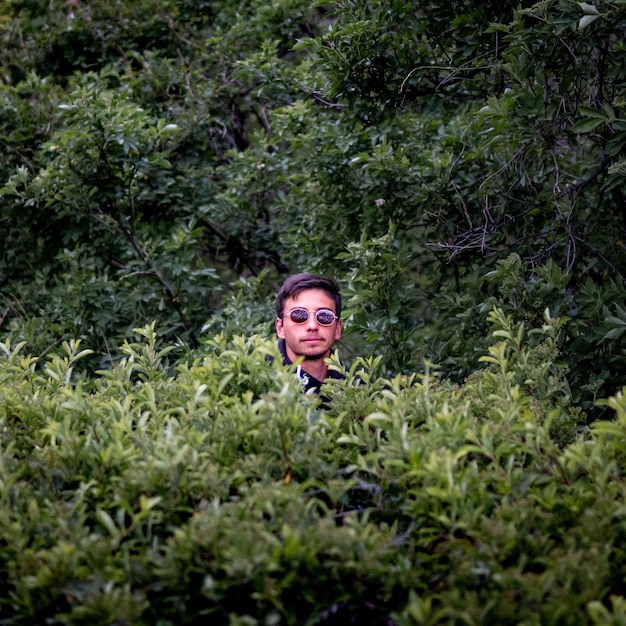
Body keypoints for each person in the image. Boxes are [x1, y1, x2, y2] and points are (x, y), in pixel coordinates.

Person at [275, 272, 345, 395]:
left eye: (324, 316)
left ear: (338, 328)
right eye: (298, 315)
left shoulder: (358, 391)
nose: (312, 326)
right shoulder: (259, 383)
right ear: (280, 328)